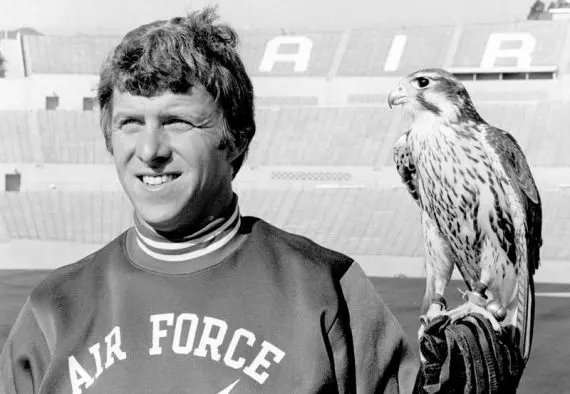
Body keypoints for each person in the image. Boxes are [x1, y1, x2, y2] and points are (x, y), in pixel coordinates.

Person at [0, 7, 421, 393]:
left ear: (236, 138)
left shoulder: (326, 289)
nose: (150, 150)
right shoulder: (52, 311)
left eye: (176, 121)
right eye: (130, 123)